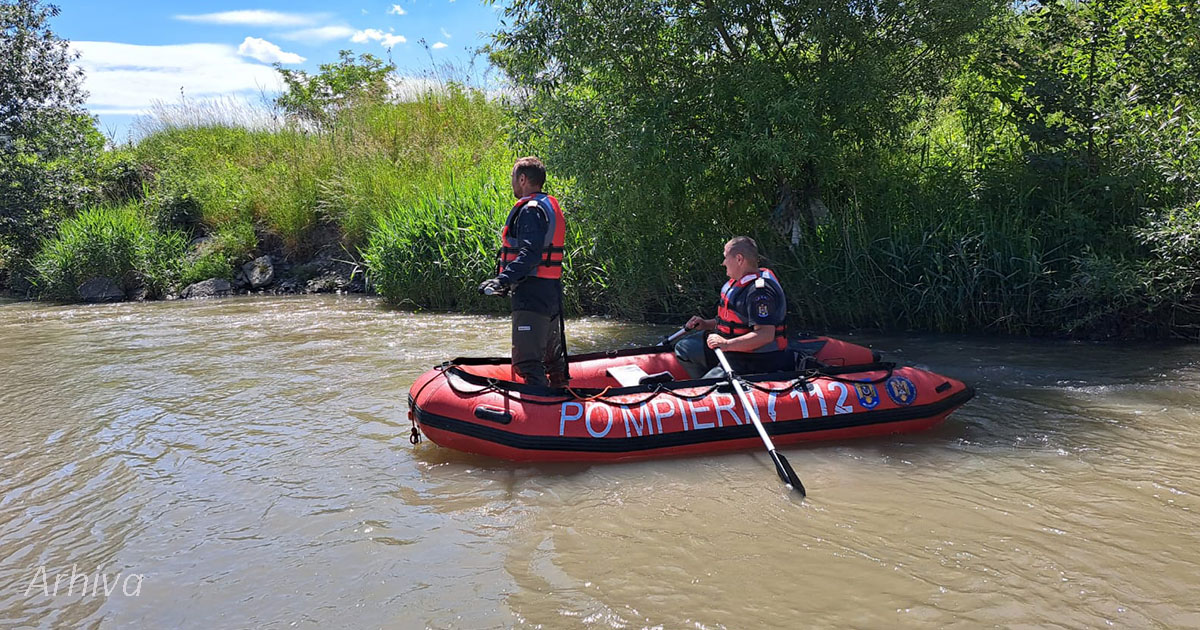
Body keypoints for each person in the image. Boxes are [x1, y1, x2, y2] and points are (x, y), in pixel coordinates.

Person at [478, 157, 568, 388]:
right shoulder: (546, 205)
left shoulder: (530, 210)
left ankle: (539, 415)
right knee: (552, 361)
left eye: (513, 179)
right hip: (550, 293)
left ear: (522, 179)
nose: (512, 184)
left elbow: (530, 255)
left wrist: (501, 280)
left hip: (532, 296)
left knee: (529, 364)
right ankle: (559, 400)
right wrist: (507, 283)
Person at [674, 236, 792, 379]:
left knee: (706, 386)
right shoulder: (738, 284)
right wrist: (707, 324)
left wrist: (726, 344)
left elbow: (765, 335)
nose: (723, 263)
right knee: (685, 349)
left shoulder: (759, 292)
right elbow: (735, 322)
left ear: (739, 259)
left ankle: (710, 385)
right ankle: (707, 379)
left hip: (757, 359)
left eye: (725, 257)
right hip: (732, 348)